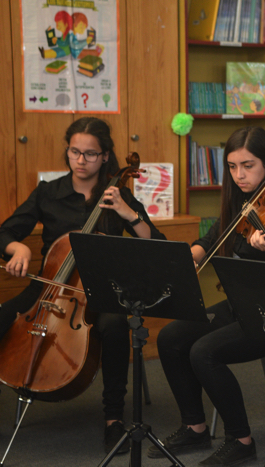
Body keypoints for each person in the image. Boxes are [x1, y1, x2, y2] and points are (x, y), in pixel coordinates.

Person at [0, 116, 165, 454]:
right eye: (75, 151)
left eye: (90, 154)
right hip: (48, 286)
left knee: (116, 326)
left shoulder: (116, 195)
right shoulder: (49, 192)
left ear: (105, 156)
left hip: (101, 292)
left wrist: (126, 213)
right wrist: (16, 247)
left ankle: (113, 419)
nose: (80, 160)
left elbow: (157, 244)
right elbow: (5, 231)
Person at [150, 126, 265, 466]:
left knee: (203, 352)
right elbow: (209, 240)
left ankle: (241, 439)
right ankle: (195, 427)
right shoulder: (242, 201)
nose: (239, 175)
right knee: (170, 337)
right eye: (233, 166)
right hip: (242, 304)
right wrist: (187, 258)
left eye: (248, 165)